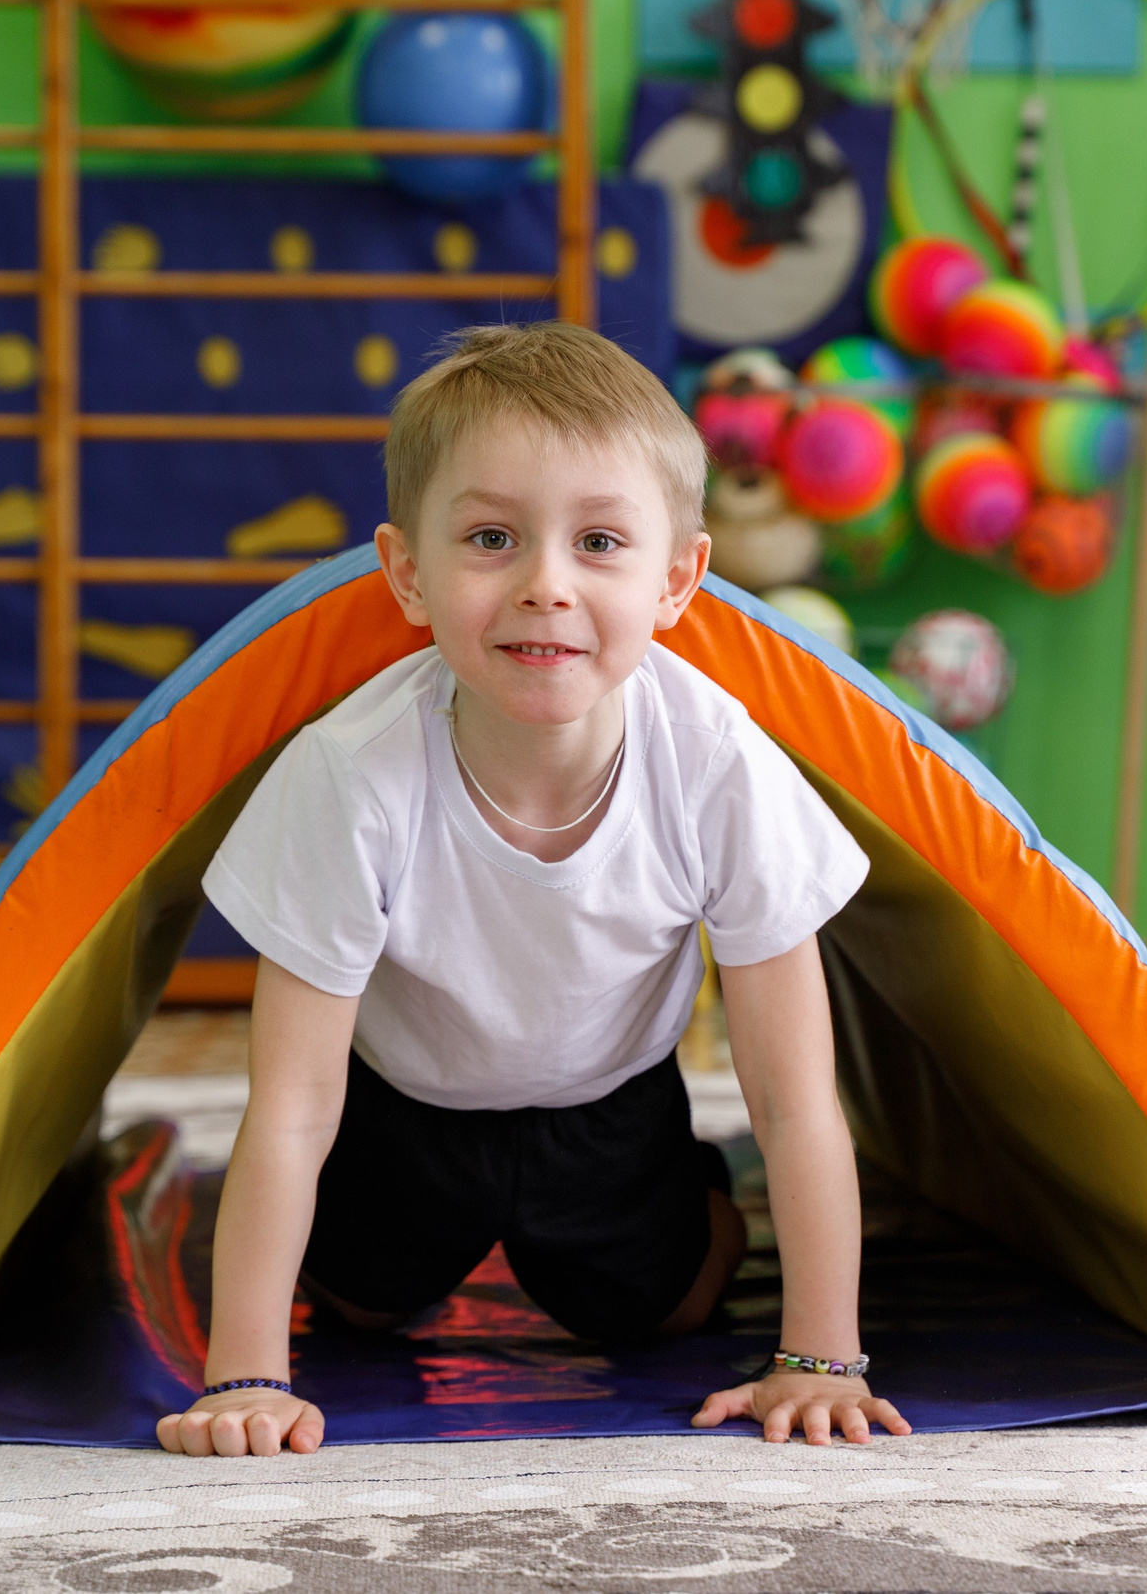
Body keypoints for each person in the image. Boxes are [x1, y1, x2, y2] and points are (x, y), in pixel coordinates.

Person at [154, 322, 910, 1457]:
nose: (545, 586)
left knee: (668, 1309)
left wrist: (820, 1360)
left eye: (599, 542)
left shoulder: (716, 762)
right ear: (407, 573)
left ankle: (698, 1200)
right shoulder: (352, 772)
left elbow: (794, 1094)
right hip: (405, 1106)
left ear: (677, 580)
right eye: (491, 538)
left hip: (610, 1104)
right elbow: (295, 1104)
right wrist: (245, 1376)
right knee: (357, 1305)